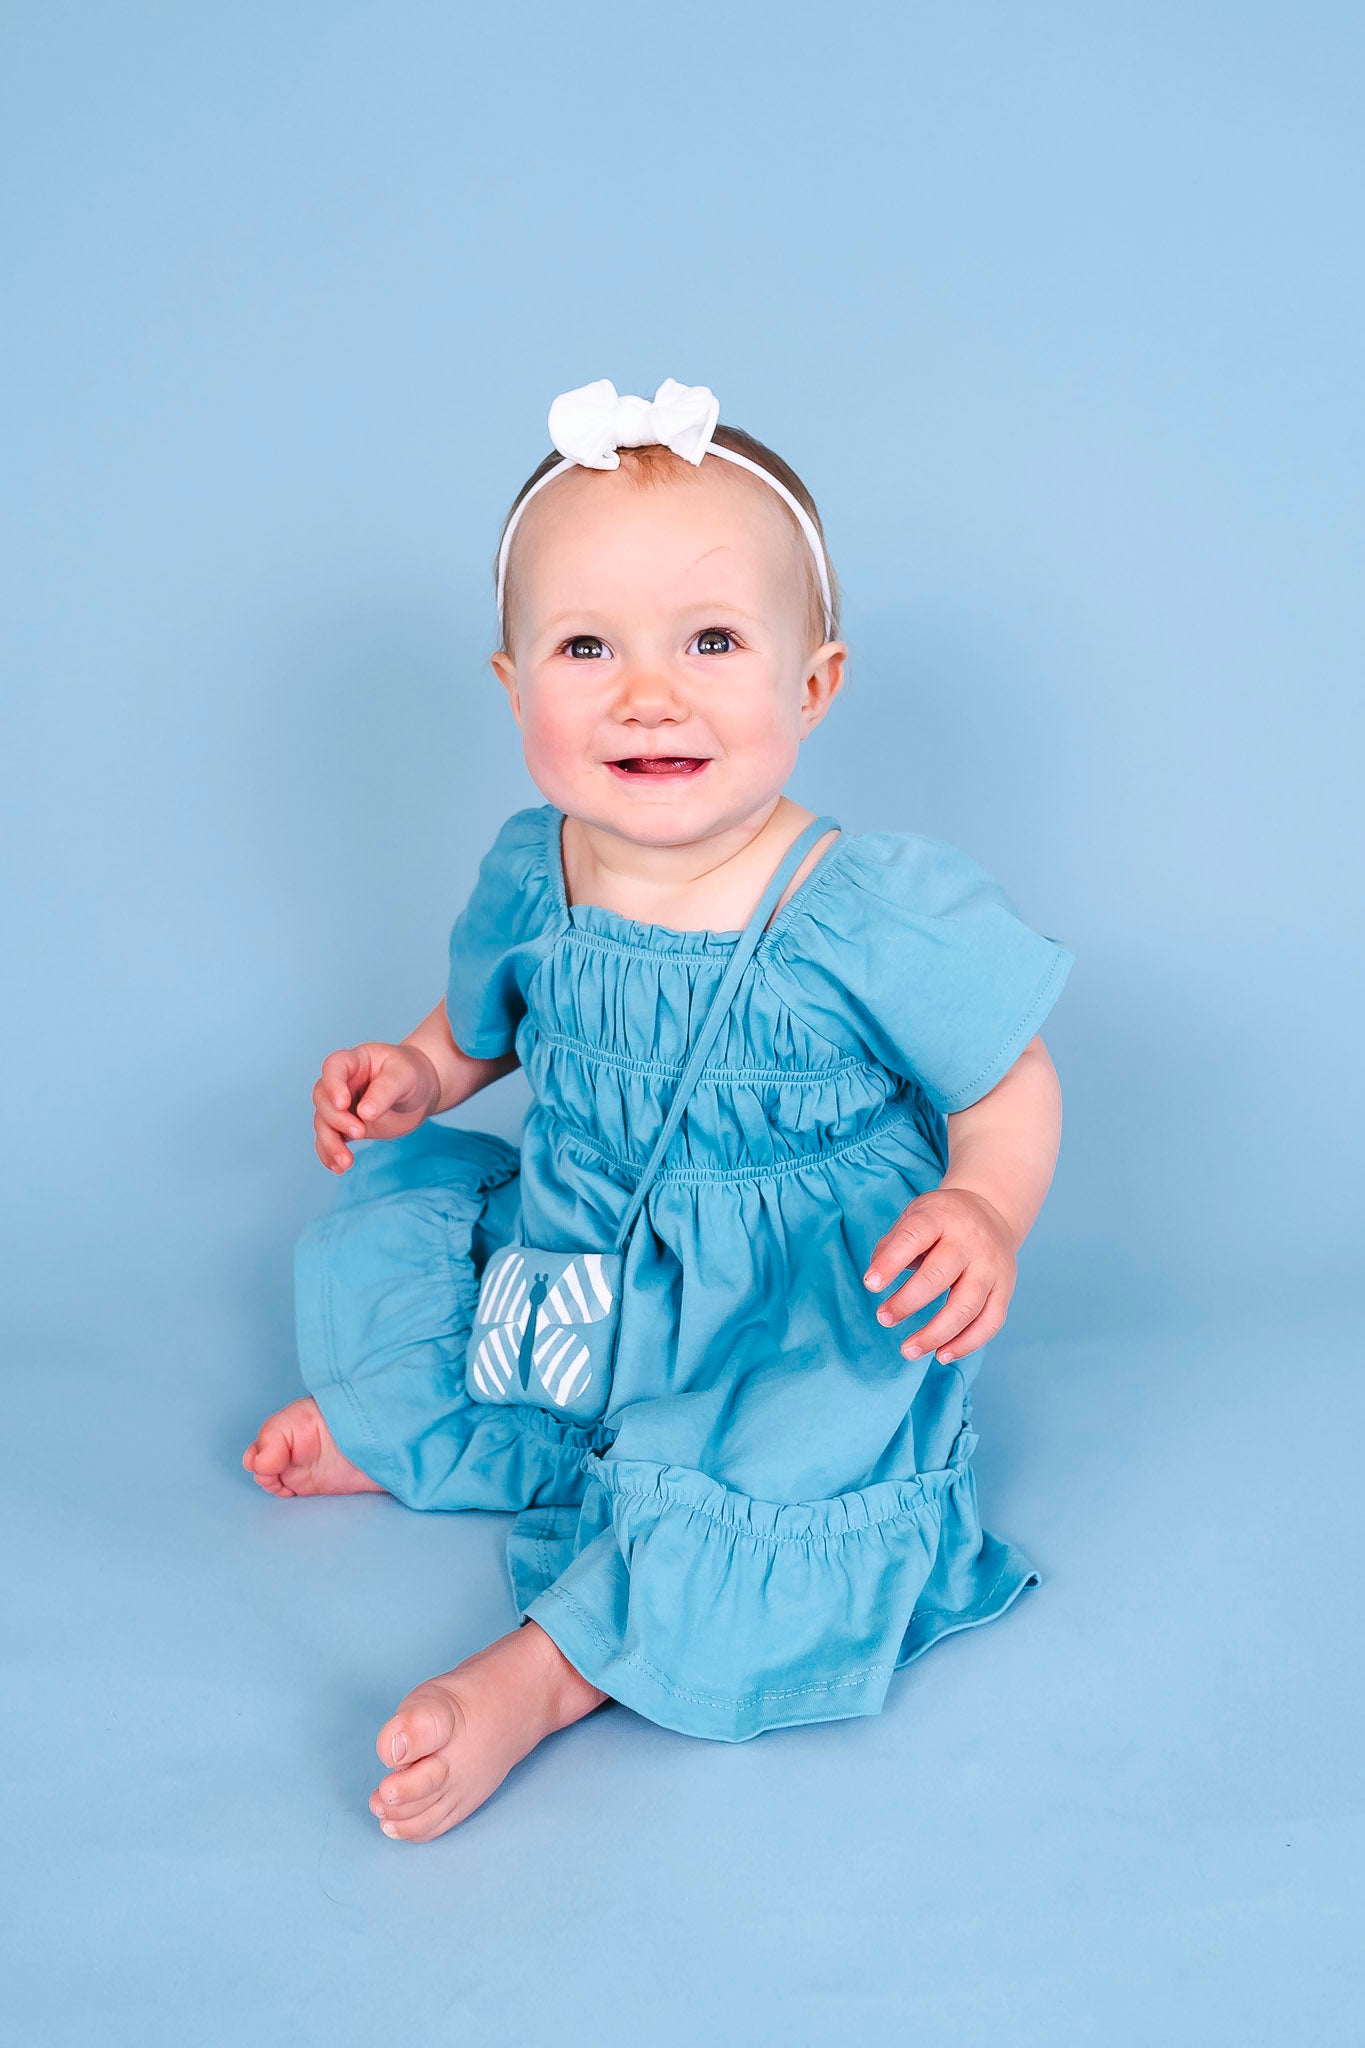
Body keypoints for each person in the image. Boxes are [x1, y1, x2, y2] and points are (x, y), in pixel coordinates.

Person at [242, 377, 1076, 1842]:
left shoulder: (861, 907)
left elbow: (1007, 1080)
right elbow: (481, 1030)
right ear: (513, 687)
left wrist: (982, 1203)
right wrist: (420, 1076)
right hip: (586, 1251)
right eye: (586, 647)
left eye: (710, 642)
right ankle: (414, 1427)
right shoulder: (537, 868)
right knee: (470, 1292)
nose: (647, 693)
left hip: (797, 1294)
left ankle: (547, 1673)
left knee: (786, 1454)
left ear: (811, 685)